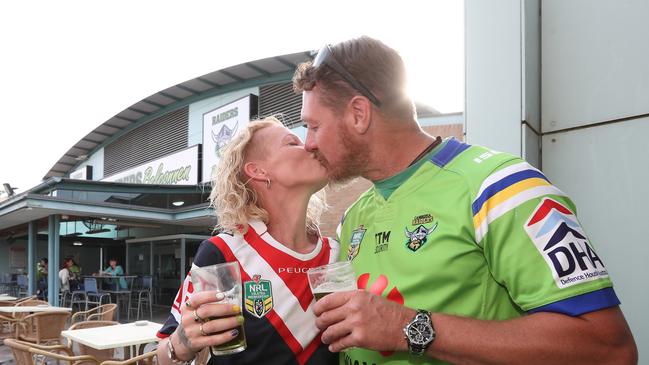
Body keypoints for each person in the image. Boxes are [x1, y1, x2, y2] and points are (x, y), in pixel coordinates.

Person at [292, 36, 638, 365]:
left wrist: (407, 328)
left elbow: (609, 349)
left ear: (358, 114)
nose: (307, 143)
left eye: (313, 126)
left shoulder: (500, 187)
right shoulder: (353, 216)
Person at [156, 116, 338, 365]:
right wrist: (183, 342)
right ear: (258, 171)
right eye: (292, 142)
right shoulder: (223, 252)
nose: (310, 145)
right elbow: (163, 354)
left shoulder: (335, 252)